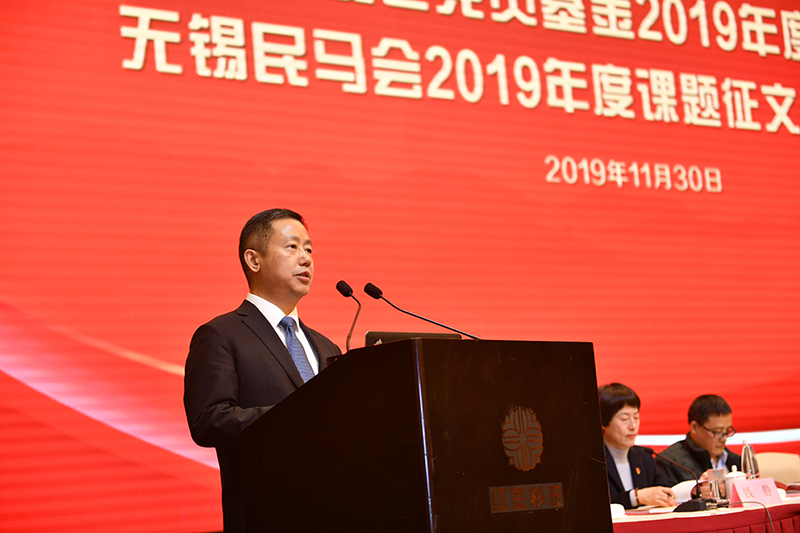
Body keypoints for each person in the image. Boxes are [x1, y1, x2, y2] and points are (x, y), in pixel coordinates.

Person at [184, 208, 341, 533]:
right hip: (265, 515)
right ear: (254, 260)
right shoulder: (221, 336)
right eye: (292, 247)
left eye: (309, 249)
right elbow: (208, 420)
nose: (306, 259)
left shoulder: (327, 347)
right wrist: (299, 416)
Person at [599, 383, 677, 508]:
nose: (633, 426)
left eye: (636, 417)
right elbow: (594, 503)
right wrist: (635, 497)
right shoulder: (592, 461)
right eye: (624, 419)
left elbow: (666, 492)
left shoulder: (644, 456)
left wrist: (693, 490)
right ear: (603, 422)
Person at [657, 394, 741, 488]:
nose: (724, 438)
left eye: (728, 431)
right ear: (694, 427)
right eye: (717, 432)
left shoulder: (737, 461)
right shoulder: (669, 463)